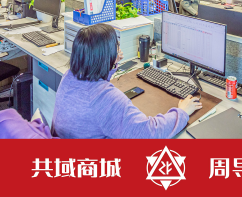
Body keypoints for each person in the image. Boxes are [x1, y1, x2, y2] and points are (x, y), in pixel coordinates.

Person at [53, 23, 201, 139]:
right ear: (106, 56)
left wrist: (112, 63)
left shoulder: (69, 76)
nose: (118, 48)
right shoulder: (106, 98)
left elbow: (95, 81)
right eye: (116, 46)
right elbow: (149, 133)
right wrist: (182, 112)